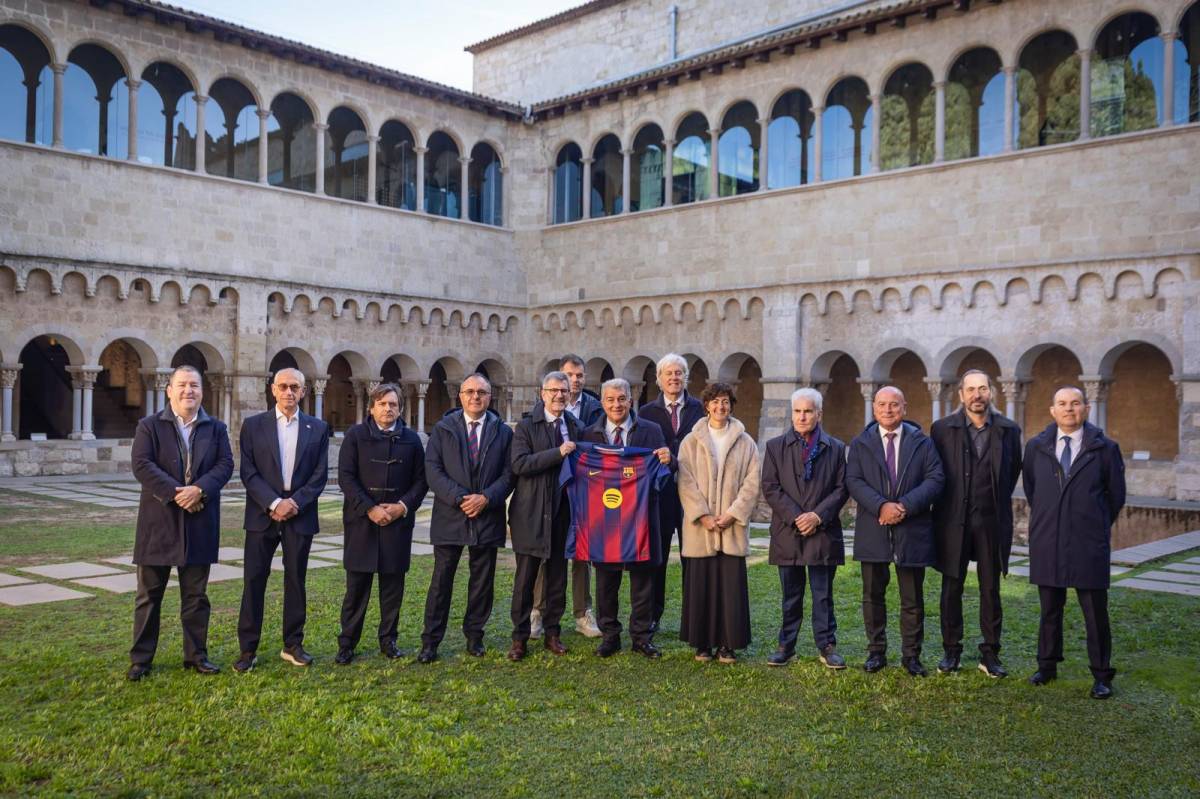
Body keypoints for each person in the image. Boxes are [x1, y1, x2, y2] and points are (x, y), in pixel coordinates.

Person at [127, 365, 234, 681]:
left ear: (202, 391)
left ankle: (196, 656)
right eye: (183, 385)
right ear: (169, 390)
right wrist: (178, 494)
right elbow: (142, 465)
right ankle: (141, 660)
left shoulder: (216, 428)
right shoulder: (149, 426)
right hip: (158, 523)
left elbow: (225, 464)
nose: (189, 391)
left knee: (196, 596)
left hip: (199, 521)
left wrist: (199, 489)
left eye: (195, 385)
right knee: (149, 596)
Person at [1024, 386, 1126, 699]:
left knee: (1095, 612)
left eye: (1075, 403)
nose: (1069, 409)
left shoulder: (1105, 448)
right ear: (1052, 410)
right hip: (1048, 539)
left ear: (1086, 408)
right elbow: (1033, 489)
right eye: (1062, 404)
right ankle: (1047, 665)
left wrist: (1091, 524)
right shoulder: (1036, 447)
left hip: (1087, 542)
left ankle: (1101, 675)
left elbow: (1115, 496)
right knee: (1049, 609)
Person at [235, 367, 331, 672]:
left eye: (295, 387)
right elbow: (248, 472)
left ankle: (293, 645)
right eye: (283, 386)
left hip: (299, 515)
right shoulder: (253, 426)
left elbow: (319, 477)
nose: (289, 392)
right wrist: (274, 503)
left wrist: (294, 503)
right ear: (273, 390)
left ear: (303, 392)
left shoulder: (317, 428)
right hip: (263, 514)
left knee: (295, 580)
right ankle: (247, 650)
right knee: (253, 581)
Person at [845, 386, 945, 677]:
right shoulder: (861, 443)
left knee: (911, 598)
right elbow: (854, 480)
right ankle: (876, 652)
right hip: (874, 528)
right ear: (874, 408)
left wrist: (903, 505)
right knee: (872, 595)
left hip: (911, 528)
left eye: (894, 405)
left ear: (904, 408)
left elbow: (936, 478)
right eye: (882, 405)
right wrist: (882, 507)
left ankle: (911, 655)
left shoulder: (921, 443)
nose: (887, 410)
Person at [930, 370, 1022, 678]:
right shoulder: (942, 429)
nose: (977, 395)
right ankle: (951, 651)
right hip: (952, 520)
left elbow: (1011, 473)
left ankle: (990, 653)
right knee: (951, 587)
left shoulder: (1009, 430)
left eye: (982, 388)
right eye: (971, 389)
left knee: (990, 588)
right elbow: (937, 472)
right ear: (961, 395)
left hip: (991, 521)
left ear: (992, 392)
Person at [418, 373, 513, 663]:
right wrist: (460, 498)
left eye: (481, 392)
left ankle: (474, 636)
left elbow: (510, 472)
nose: (475, 397)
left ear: (490, 397)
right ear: (460, 396)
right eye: (469, 391)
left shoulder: (502, 431)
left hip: (487, 514)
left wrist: (486, 498)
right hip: (451, 514)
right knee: (441, 581)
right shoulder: (443, 428)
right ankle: (431, 641)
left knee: (482, 581)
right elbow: (433, 470)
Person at [577, 378, 673, 658]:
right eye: (610, 399)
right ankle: (610, 636)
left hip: (641, 518)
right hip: (603, 521)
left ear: (631, 401)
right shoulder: (589, 435)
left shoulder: (651, 431)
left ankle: (642, 637)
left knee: (643, 580)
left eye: (621, 399)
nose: (616, 404)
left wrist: (669, 459)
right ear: (602, 403)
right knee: (606, 581)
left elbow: (665, 470)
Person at [334, 383, 427, 665]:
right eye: (383, 404)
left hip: (397, 524)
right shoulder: (355, 436)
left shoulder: (411, 440)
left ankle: (389, 640)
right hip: (362, 522)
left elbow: (421, 481)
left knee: (392, 588)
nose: (388, 409)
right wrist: (370, 508)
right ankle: (347, 643)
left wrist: (401, 507)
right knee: (356, 589)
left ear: (400, 408)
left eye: (393, 404)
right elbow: (346, 478)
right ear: (371, 407)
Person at [760, 388, 849, 669]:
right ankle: (786, 645)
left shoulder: (835, 448)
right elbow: (770, 487)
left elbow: (842, 488)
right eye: (797, 411)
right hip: (789, 531)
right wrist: (798, 516)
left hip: (822, 531)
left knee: (823, 594)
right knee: (791, 594)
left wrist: (817, 516)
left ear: (819, 414)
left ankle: (826, 645)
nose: (802, 416)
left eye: (808, 411)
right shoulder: (775, 447)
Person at [677, 382, 761, 663]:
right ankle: (703, 643)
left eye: (725, 402)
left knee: (730, 588)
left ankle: (728, 644)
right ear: (707, 406)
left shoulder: (745, 441)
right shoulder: (691, 441)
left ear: (731, 405)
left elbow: (752, 482)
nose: (720, 407)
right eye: (715, 402)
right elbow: (685, 481)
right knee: (701, 584)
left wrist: (733, 514)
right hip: (701, 528)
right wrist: (703, 515)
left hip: (731, 527)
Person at [507, 371, 583, 661]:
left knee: (556, 578)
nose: (559, 395)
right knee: (525, 579)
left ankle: (553, 633)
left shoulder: (575, 426)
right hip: (531, 513)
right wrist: (558, 453)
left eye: (564, 391)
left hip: (563, 513)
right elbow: (519, 464)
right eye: (553, 390)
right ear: (542, 393)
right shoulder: (526, 426)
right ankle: (519, 638)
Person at [529, 354, 602, 640]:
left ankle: (583, 612)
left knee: (581, 555)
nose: (574, 380)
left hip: (580, 493)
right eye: (569, 375)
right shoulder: (539, 413)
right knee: (547, 555)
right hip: (547, 493)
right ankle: (538, 610)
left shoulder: (594, 408)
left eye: (579, 375)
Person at [638, 353, 706, 631]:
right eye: (669, 373)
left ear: (686, 377)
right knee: (658, 557)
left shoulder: (700, 410)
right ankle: (652, 615)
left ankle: (694, 618)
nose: (674, 378)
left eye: (679, 373)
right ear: (659, 379)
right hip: (660, 495)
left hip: (693, 493)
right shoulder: (646, 413)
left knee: (694, 557)